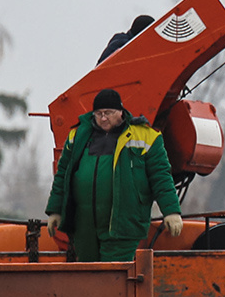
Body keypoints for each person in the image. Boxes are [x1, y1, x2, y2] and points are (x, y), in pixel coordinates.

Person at [45, 89, 184, 262]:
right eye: (98, 114)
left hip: (123, 226)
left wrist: (171, 211)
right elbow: (63, 176)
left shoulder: (147, 137)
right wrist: (55, 210)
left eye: (108, 113)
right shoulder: (77, 136)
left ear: (120, 112)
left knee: (113, 278)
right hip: (84, 226)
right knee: (88, 277)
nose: (103, 118)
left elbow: (161, 177)